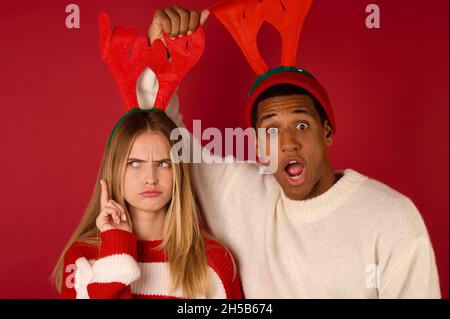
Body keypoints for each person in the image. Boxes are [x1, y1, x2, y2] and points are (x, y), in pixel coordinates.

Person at [139, 2, 441, 298]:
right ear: (257, 145)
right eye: (271, 129)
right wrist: (160, 63)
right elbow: (166, 142)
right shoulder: (240, 196)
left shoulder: (391, 218)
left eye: (301, 125)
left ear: (327, 132)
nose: (287, 143)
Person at [52, 15, 242, 298]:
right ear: (114, 169)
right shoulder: (83, 258)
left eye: (163, 163)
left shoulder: (214, 261)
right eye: (134, 164)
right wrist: (117, 245)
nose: (150, 178)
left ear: (179, 170)